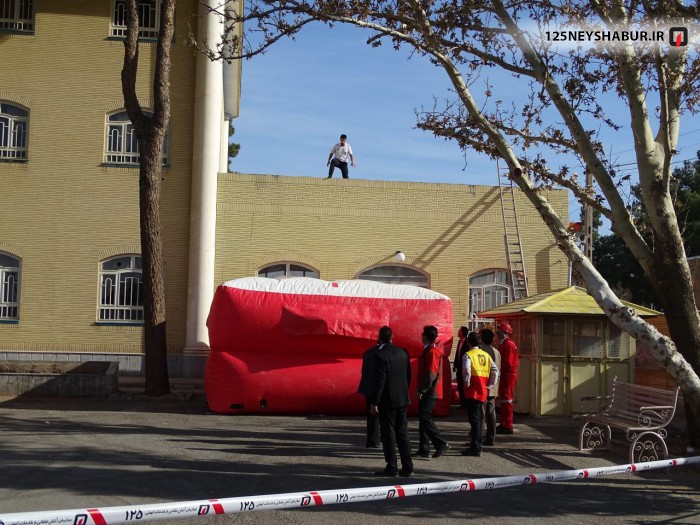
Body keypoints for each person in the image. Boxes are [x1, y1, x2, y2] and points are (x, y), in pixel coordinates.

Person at [370, 326, 413, 477]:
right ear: (392, 337)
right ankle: (407, 465)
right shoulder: (403, 352)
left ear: (379, 337)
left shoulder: (380, 355)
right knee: (402, 432)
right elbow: (408, 376)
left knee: (388, 433)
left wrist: (375, 402)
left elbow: (380, 381)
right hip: (402, 398)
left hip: (388, 400)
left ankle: (392, 466)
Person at [415, 325, 451, 459]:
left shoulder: (432, 352)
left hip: (430, 390)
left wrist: (422, 389)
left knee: (425, 418)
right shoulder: (431, 350)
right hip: (429, 389)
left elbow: (431, 373)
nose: (421, 336)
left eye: (422, 334)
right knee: (423, 418)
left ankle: (440, 443)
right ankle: (424, 448)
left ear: (425, 336)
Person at [461, 331, 499, 457]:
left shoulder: (468, 355)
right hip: (483, 390)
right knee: (480, 419)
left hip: (472, 390)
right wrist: (490, 385)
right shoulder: (486, 355)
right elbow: (495, 371)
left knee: (475, 420)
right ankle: (476, 445)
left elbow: (466, 370)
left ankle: (476, 447)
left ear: (468, 342)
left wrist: (467, 383)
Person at [496, 321, 519, 435]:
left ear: (504, 332)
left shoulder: (508, 344)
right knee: (504, 400)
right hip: (507, 374)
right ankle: (504, 423)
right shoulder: (506, 343)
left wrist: (499, 371)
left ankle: (507, 425)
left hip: (508, 374)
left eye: (499, 332)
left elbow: (507, 362)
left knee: (507, 400)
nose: (497, 334)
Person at [479, 328, 501, 446]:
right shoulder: (497, 351)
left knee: (481, 413)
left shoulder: (481, 351)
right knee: (491, 413)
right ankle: (491, 436)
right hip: (493, 387)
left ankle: (478, 437)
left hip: (483, 386)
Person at [358, 339, 381, 449]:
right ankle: (376, 440)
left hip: (368, 387)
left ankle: (371, 440)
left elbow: (363, 371)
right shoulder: (385, 352)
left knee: (371, 415)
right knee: (379, 415)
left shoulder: (368, 352)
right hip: (380, 388)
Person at [453, 326, 469, 408]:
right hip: (459, 366)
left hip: (465, 366)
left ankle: (466, 402)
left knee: (464, 384)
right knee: (459, 384)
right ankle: (462, 402)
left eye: (459, 331)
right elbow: (457, 354)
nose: (458, 332)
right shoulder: (459, 341)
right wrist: (455, 364)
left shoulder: (467, 342)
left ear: (462, 333)